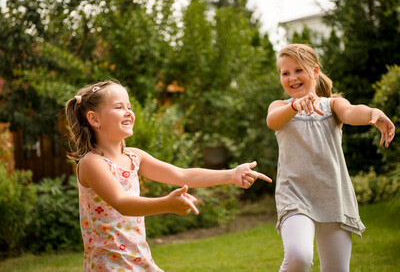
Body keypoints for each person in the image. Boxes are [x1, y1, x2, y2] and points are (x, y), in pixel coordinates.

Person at [65, 80, 272, 271]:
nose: (128, 112)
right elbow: (122, 202)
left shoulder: (135, 156)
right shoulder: (92, 163)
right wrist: (166, 204)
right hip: (109, 265)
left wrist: (231, 174)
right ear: (94, 119)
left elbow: (182, 174)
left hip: (138, 259)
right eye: (119, 107)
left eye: (129, 107)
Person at [266, 44, 395, 272]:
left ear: (315, 72)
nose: (292, 78)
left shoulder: (333, 105)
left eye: (298, 70)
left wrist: (373, 114)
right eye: (285, 73)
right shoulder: (280, 107)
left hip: (332, 197)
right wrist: (295, 106)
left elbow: (352, 111)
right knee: (299, 257)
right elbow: (272, 121)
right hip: (295, 196)